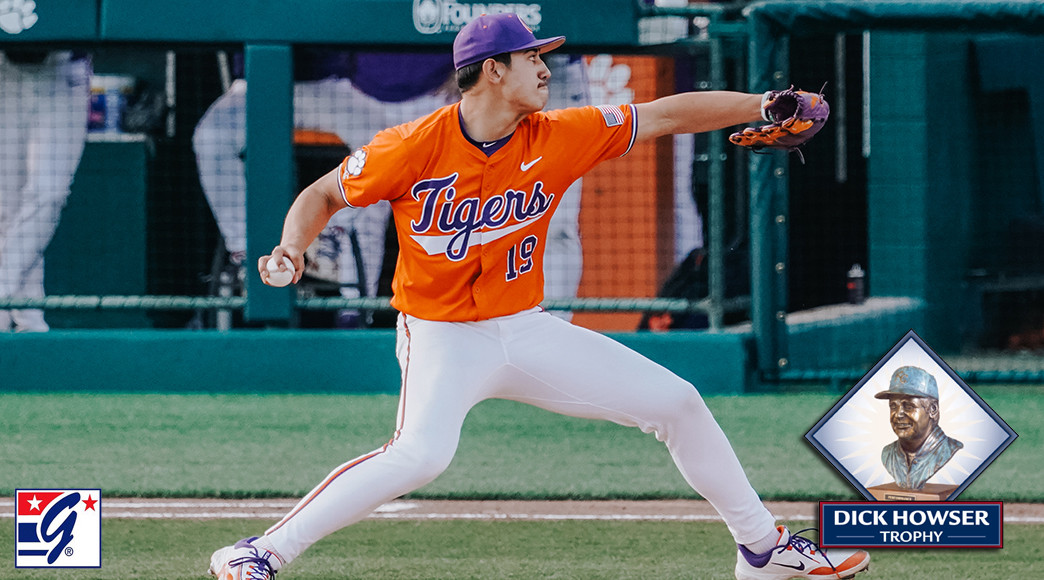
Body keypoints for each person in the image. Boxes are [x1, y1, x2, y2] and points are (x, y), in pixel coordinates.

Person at [208, 14, 870, 580]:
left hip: (524, 329)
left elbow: (664, 114)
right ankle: (258, 553)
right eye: (532, 58)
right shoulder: (411, 145)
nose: (547, 68)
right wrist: (294, 247)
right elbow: (323, 193)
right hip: (442, 334)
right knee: (421, 454)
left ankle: (765, 552)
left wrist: (761, 103)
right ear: (493, 70)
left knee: (678, 403)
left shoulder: (560, 134)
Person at [192, 50, 458, 322]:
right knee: (211, 136)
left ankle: (351, 303)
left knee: (374, 160)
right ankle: (246, 254)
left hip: (334, 89)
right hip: (261, 83)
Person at [0, 49, 91, 332]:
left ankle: (4, 294)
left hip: (64, 67)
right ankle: (29, 321)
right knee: (7, 207)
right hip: (6, 66)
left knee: (49, 193)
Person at [876, 366, 964, 491]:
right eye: (893, 406)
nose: (898, 414)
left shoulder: (948, 449)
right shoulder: (888, 454)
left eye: (909, 406)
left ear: (932, 410)